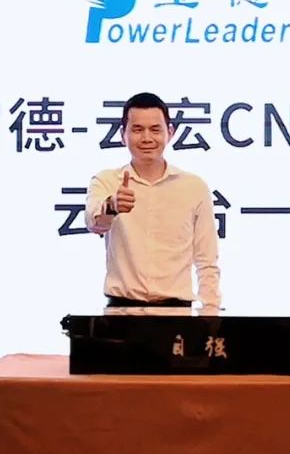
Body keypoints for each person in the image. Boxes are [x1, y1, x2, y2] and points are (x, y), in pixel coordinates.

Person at [85, 92, 221, 309]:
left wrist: (211, 312)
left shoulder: (194, 187)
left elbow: (207, 259)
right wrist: (112, 206)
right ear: (123, 135)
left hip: (177, 313)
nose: (146, 138)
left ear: (170, 133)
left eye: (155, 130)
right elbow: (94, 223)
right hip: (121, 312)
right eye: (137, 129)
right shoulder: (107, 181)